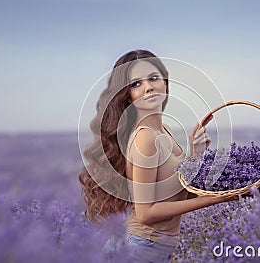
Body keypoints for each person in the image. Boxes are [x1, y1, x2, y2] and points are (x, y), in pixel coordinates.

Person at [79, 49, 235, 262]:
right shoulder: (145, 139)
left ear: (165, 83)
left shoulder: (165, 131)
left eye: (153, 78)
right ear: (127, 96)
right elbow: (146, 213)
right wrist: (218, 198)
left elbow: (174, 192)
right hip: (139, 248)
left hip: (153, 247)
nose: (148, 87)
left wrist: (195, 157)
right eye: (136, 84)